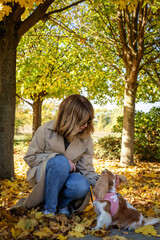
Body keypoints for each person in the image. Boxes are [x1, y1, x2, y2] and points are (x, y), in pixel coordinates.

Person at [11, 94, 99, 216]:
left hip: (69, 179)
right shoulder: (45, 130)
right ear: (69, 119)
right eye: (82, 122)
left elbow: (87, 170)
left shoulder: (86, 138)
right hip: (44, 176)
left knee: (81, 185)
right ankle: (49, 210)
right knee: (60, 162)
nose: (85, 126)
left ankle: (61, 205)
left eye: (88, 121)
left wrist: (102, 180)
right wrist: (56, 158)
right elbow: (30, 158)